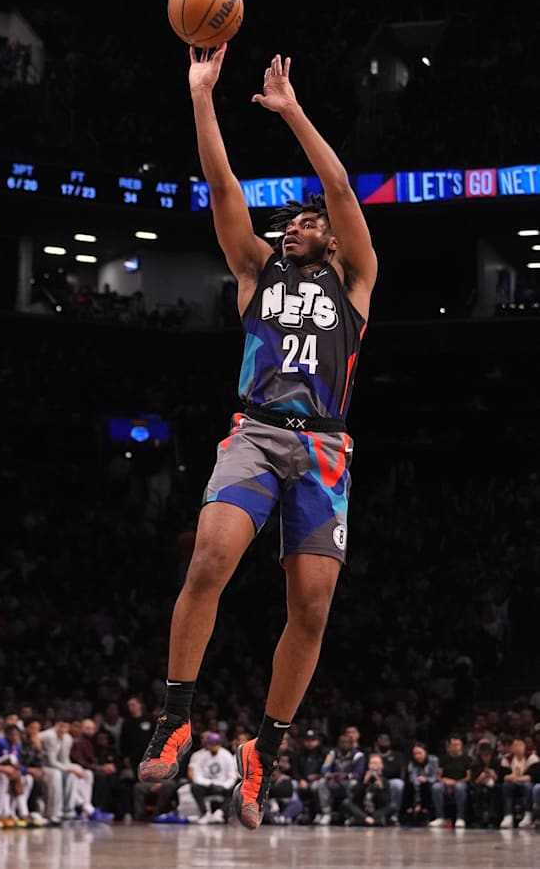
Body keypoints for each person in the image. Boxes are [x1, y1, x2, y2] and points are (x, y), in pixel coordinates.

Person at [138, 42, 378, 833]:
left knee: (310, 610)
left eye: (312, 223)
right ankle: (175, 717)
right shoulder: (256, 271)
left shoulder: (356, 284)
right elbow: (221, 184)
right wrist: (203, 94)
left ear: (335, 243)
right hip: (256, 431)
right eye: (295, 220)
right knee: (208, 556)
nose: (301, 225)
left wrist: (290, 110)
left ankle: (264, 750)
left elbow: (341, 184)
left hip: (325, 451)